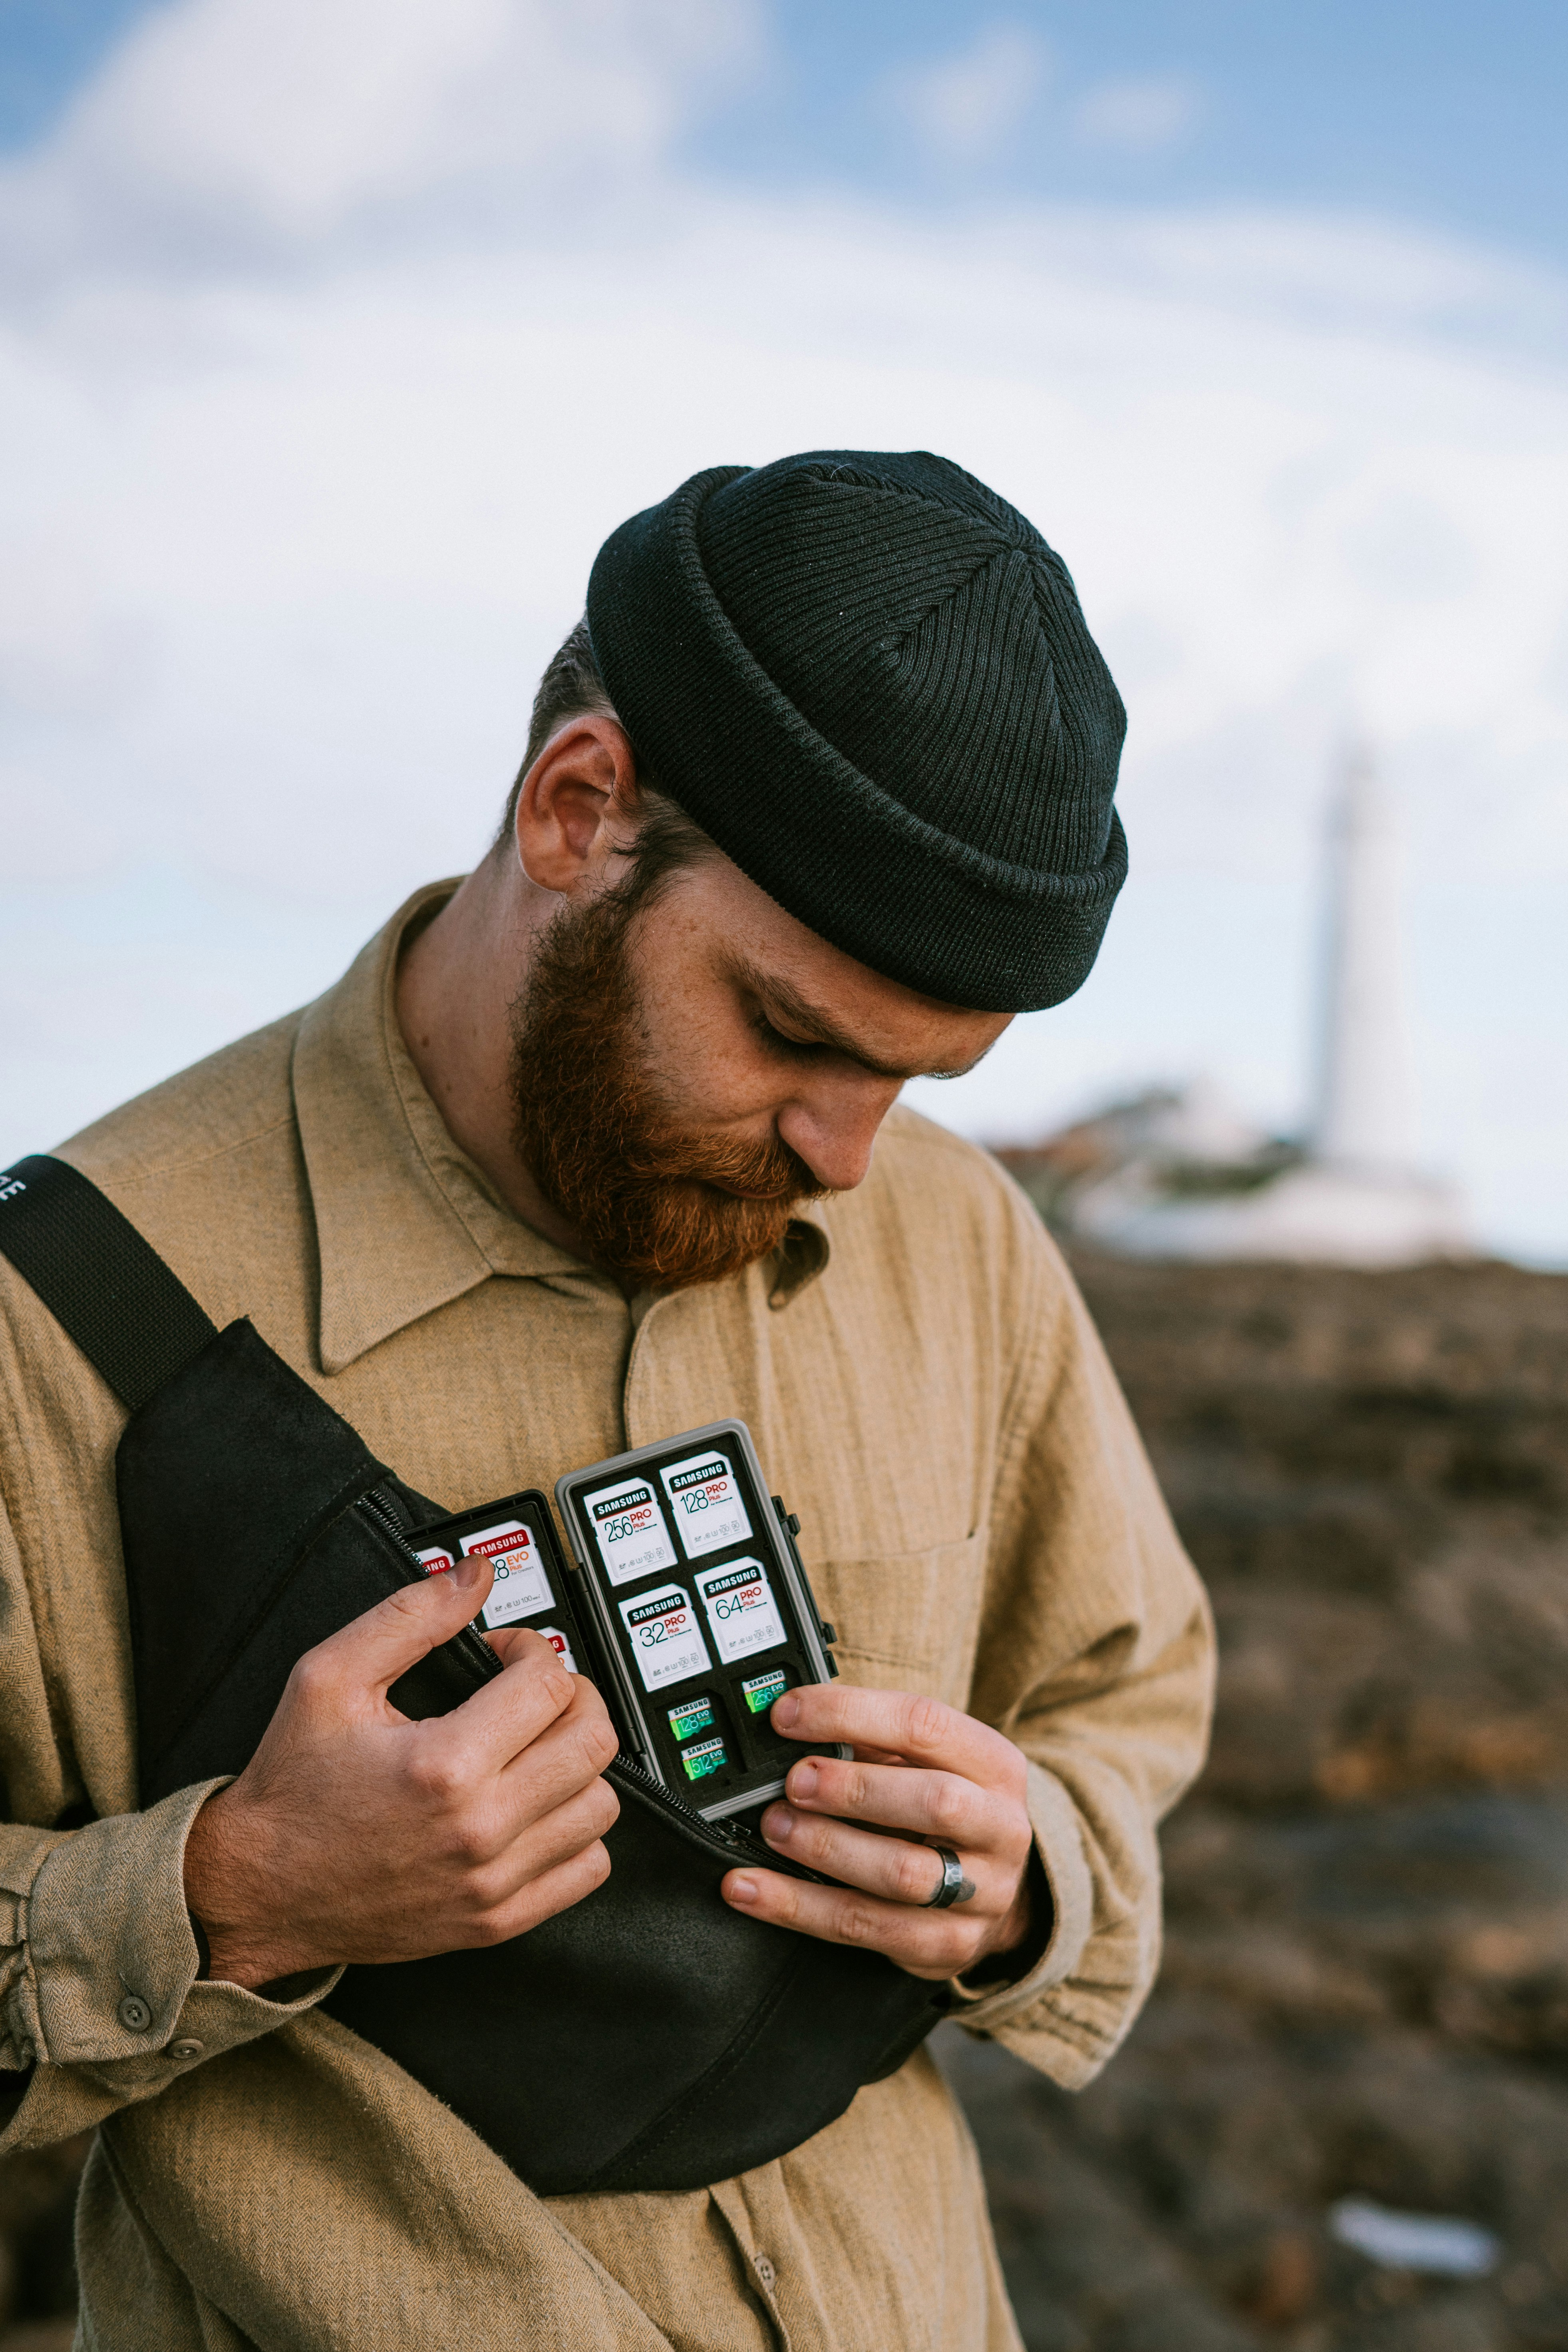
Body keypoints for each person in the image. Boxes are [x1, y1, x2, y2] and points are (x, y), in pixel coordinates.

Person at [0, 449, 1212, 2351]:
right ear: (579, 809)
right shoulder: (47, 1313)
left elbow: (1121, 1701)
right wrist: (232, 1889)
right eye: (794, 1031)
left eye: (925, 1077)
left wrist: (1024, 1869)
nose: (846, 1154)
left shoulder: (961, 1240)